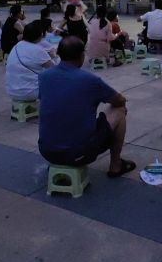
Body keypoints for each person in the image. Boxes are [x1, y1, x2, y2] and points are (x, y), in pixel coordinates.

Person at [37, 36, 135, 176]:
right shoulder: (90, 80)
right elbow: (119, 101)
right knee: (119, 110)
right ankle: (115, 165)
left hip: (47, 151)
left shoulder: (44, 76)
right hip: (79, 153)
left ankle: (61, 159)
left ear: (59, 53)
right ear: (82, 55)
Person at [5, 21, 54, 101]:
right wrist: (54, 56)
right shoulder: (37, 50)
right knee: (59, 80)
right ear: (40, 35)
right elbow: (54, 68)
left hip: (12, 91)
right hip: (30, 92)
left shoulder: (16, 46)